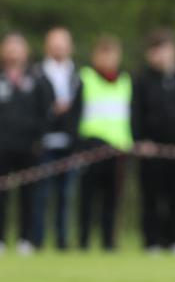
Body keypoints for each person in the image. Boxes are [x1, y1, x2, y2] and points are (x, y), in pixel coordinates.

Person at [131, 29, 175, 253]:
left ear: (173, 50)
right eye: (154, 51)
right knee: (151, 195)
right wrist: (140, 141)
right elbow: (136, 113)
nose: (159, 55)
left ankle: (173, 240)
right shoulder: (142, 80)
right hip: (151, 149)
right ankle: (152, 241)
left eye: (163, 49)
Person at [77, 35, 132, 251]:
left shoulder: (125, 80)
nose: (108, 58)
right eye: (104, 53)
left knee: (112, 201)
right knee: (87, 199)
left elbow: (129, 116)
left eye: (112, 53)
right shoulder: (86, 77)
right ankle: (83, 242)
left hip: (118, 149)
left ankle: (108, 243)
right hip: (92, 146)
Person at [31, 27, 81, 251]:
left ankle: (62, 241)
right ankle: (37, 240)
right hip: (44, 142)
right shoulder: (36, 73)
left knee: (65, 196)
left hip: (69, 143)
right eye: (55, 42)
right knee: (40, 195)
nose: (59, 47)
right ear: (47, 46)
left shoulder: (78, 75)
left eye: (63, 42)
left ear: (70, 46)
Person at [0, 33, 51, 255]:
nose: (13, 52)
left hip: (29, 147)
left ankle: (25, 239)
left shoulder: (37, 78)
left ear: (26, 51)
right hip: (2, 146)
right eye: (9, 47)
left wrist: (38, 139)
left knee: (29, 196)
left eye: (18, 47)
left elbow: (45, 111)